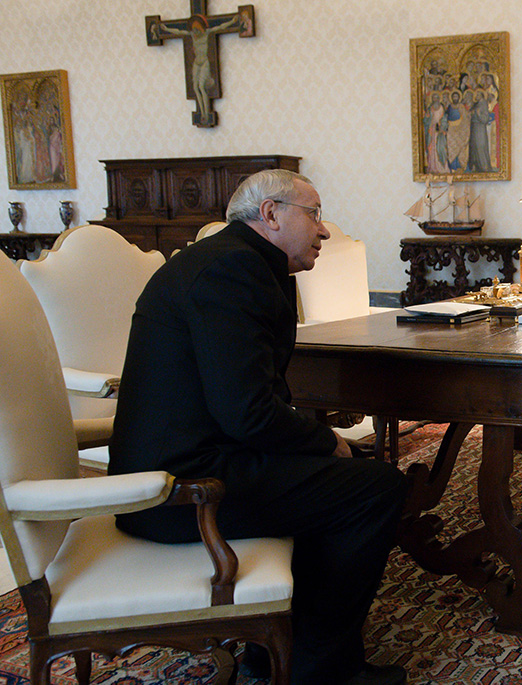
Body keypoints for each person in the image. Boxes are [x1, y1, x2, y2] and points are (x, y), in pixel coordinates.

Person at [108, 169, 408, 685]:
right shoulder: (232, 271)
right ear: (269, 214)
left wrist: (320, 447)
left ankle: (275, 649)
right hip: (180, 491)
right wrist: (323, 440)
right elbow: (246, 412)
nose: (324, 230)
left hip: (194, 462)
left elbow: (247, 404)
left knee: (352, 474)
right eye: (314, 214)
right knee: (376, 489)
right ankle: (320, 671)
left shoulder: (233, 262)